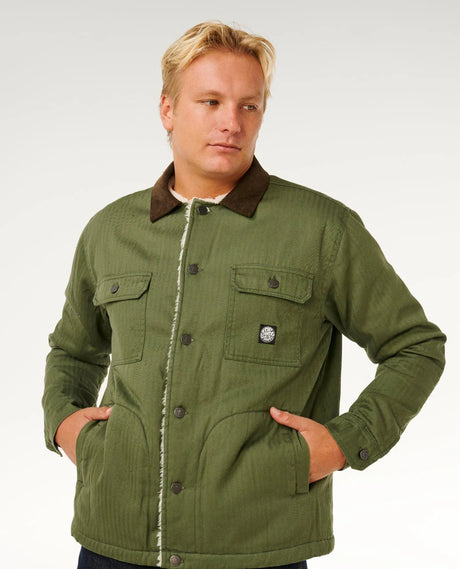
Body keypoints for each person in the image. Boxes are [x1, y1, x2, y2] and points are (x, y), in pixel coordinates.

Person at [42, 21, 446, 569]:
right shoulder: (110, 231)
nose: (231, 123)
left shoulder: (322, 229)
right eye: (210, 102)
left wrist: (345, 441)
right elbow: (73, 350)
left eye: (249, 106)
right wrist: (64, 424)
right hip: (114, 538)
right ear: (167, 109)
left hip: (259, 544)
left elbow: (416, 346)